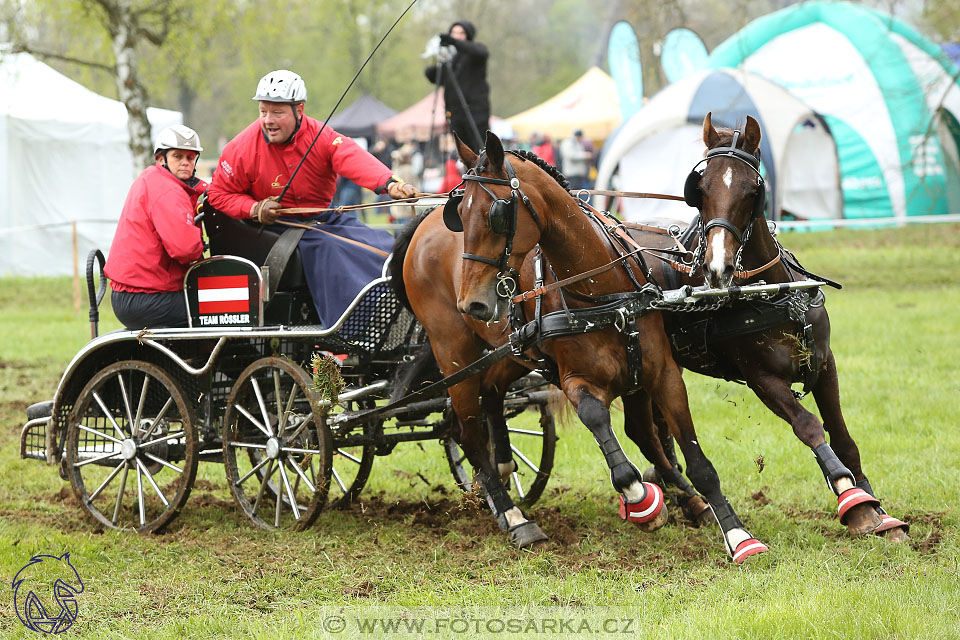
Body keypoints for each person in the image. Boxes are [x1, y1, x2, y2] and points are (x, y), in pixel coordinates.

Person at [206, 70, 416, 327]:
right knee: (332, 247)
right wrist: (254, 207)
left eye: (277, 113)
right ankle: (353, 327)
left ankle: (396, 308)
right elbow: (217, 195)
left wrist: (389, 183)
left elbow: (352, 157)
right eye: (263, 112)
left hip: (318, 218)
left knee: (382, 242)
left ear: (299, 110)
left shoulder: (322, 136)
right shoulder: (240, 149)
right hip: (270, 228)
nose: (268, 121)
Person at [104, 125, 206, 329]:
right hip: (143, 297)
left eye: (190, 157)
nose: (185, 163)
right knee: (216, 309)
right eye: (178, 156)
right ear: (161, 159)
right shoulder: (168, 190)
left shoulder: (152, 179)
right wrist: (202, 245)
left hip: (133, 294)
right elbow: (186, 249)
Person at [425, 20, 490, 153]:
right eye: (453, 33)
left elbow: (481, 52)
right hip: (455, 112)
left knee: (480, 147)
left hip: (475, 111)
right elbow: (437, 77)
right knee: (464, 149)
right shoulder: (450, 57)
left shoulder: (474, 52)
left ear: (468, 35)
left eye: (461, 33)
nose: (456, 36)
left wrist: (455, 42)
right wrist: (434, 63)